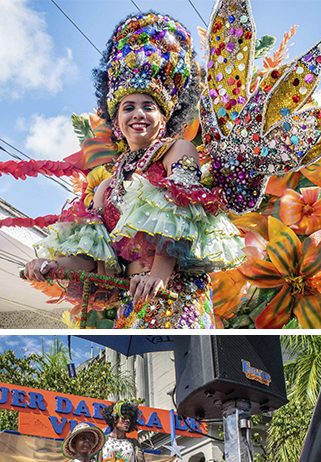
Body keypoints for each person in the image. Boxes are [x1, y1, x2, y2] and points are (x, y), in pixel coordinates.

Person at [25, 12, 243, 328]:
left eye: (148, 106)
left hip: (175, 295)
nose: (138, 114)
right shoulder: (105, 188)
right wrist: (50, 265)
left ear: (164, 117)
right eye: (129, 107)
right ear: (117, 121)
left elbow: (180, 215)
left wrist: (158, 275)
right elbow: (90, 255)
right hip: (133, 300)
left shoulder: (177, 151)